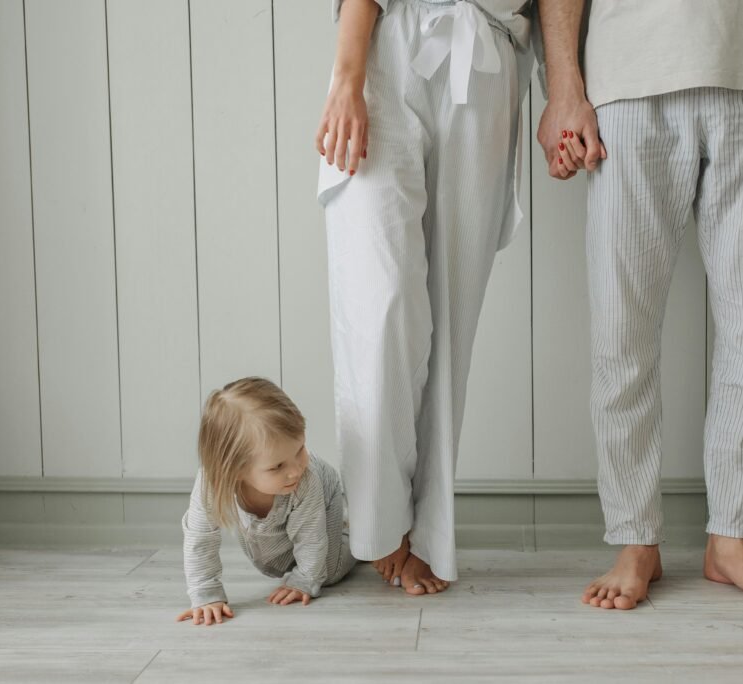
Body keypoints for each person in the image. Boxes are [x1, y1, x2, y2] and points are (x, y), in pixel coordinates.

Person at [537, 0, 743, 612]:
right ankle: (634, 539)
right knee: (621, 329)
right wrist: (563, 87)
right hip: (627, 76)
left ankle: (732, 538)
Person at [315, 0, 536, 596]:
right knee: (379, 302)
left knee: (452, 317)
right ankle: (383, 523)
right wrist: (347, 75)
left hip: (490, 48)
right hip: (388, 43)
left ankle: (432, 534)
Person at [177, 377, 355, 625]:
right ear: (234, 471)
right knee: (275, 564)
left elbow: (311, 538)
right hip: (276, 532)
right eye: (277, 466)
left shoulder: (306, 478)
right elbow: (200, 537)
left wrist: (304, 580)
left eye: (300, 449)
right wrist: (206, 593)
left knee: (328, 571)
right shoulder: (213, 481)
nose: (295, 469)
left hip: (323, 501)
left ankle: (355, 532)